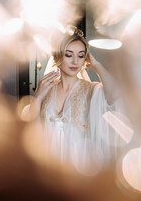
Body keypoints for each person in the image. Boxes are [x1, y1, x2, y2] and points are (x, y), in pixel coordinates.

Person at [30, 26, 124, 174]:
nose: (75, 61)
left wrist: (97, 66)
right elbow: (29, 132)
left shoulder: (92, 90)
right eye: (69, 55)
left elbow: (115, 97)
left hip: (79, 173)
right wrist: (37, 98)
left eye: (81, 56)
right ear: (57, 55)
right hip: (47, 172)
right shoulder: (46, 90)